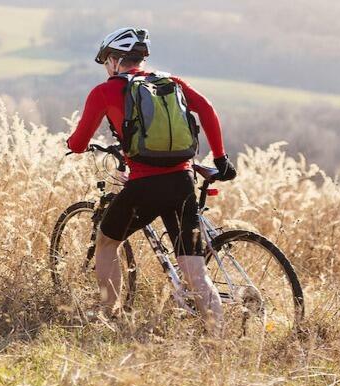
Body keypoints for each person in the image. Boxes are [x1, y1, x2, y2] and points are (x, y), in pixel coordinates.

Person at [66, 27, 237, 336]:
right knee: (196, 273)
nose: (107, 68)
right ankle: (219, 344)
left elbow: (78, 143)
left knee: (106, 242)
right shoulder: (172, 83)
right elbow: (208, 110)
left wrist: (72, 142)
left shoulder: (105, 92)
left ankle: (108, 317)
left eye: (107, 61)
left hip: (144, 186)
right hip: (182, 181)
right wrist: (221, 158)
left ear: (116, 61)